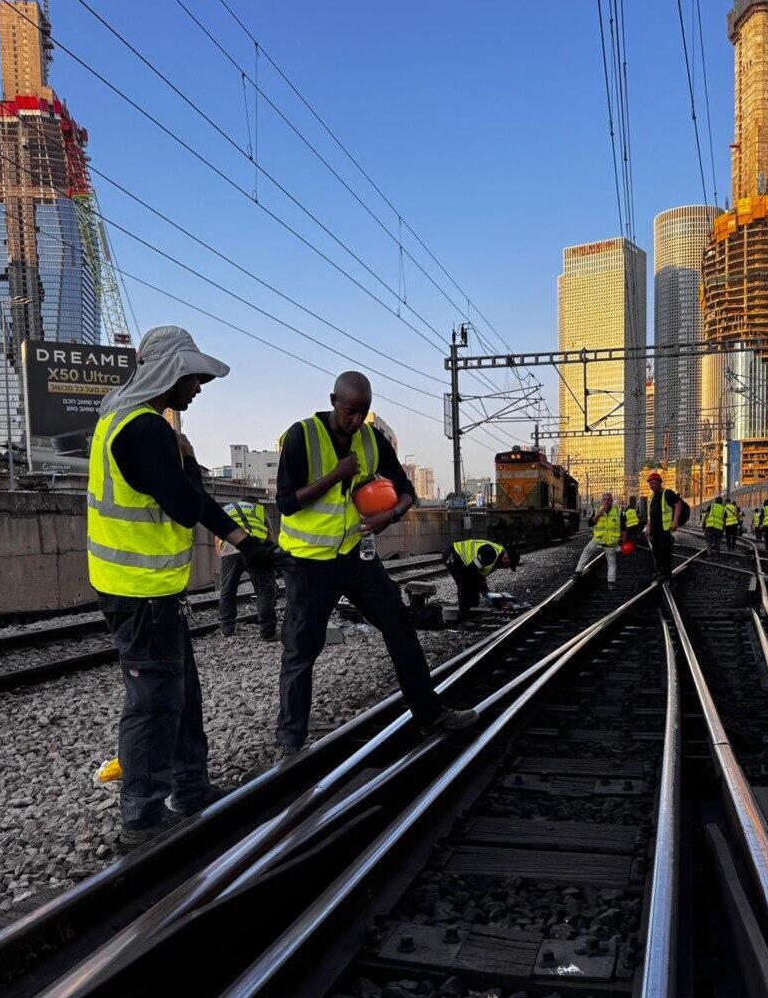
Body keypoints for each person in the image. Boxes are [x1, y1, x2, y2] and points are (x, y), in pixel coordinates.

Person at [87, 326, 277, 846]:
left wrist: (247, 542)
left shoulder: (120, 421)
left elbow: (190, 502)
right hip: (139, 591)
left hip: (149, 590)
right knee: (154, 700)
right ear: (167, 371)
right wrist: (190, 459)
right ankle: (143, 816)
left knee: (182, 693)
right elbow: (185, 503)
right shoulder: (144, 430)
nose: (197, 386)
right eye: (192, 376)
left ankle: (191, 789)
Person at [275, 370, 476, 755]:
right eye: (350, 411)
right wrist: (336, 475)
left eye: (363, 412)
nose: (356, 420)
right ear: (334, 400)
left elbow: (406, 491)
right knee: (301, 649)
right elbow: (286, 501)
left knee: (398, 624)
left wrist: (391, 515)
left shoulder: (371, 438)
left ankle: (430, 714)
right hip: (309, 563)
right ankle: (289, 743)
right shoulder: (302, 436)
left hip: (355, 556)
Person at [216, 499, 277, 640]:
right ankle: (268, 633)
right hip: (255, 547)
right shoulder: (259, 509)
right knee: (264, 590)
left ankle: (227, 630)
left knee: (227, 590)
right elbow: (269, 536)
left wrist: (225, 556)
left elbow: (217, 537)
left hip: (230, 548)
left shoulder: (226, 508)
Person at [442, 539, 520, 621]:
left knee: (473, 585)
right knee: (464, 583)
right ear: (506, 557)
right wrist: (485, 591)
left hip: (462, 560)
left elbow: (479, 575)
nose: (507, 567)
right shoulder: (490, 554)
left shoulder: (497, 558)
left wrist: (486, 592)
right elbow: (471, 571)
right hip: (453, 553)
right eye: (509, 564)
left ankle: (472, 613)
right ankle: (463, 616)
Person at [575, 492, 622, 584]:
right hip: (598, 540)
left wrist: (623, 542)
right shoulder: (597, 510)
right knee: (586, 551)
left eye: (609, 499)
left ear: (612, 501)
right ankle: (578, 572)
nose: (606, 501)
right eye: (605, 499)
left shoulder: (618, 512)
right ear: (602, 501)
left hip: (611, 542)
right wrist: (599, 514)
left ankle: (611, 583)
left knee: (612, 563)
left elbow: (623, 528)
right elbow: (590, 523)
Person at [645, 471, 682, 581]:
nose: (652, 485)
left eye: (654, 483)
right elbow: (651, 514)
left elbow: (678, 505)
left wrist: (675, 521)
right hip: (655, 530)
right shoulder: (653, 496)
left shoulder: (667, 493)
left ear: (660, 482)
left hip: (665, 529)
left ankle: (666, 574)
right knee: (656, 552)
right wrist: (648, 526)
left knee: (664, 552)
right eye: (650, 483)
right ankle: (661, 573)